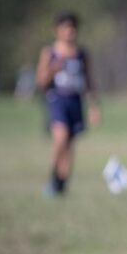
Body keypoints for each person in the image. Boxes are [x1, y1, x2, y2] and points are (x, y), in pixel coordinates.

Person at [36, 11, 101, 196]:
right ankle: (53, 175)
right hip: (57, 99)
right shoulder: (50, 52)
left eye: (73, 28)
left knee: (70, 143)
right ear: (57, 30)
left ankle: (62, 183)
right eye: (65, 28)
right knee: (61, 137)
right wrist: (52, 69)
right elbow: (40, 81)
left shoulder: (81, 54)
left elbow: (89, 82)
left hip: (75, 100)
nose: (70, 32)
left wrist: (94, 107)